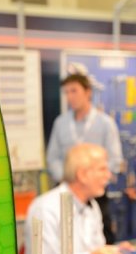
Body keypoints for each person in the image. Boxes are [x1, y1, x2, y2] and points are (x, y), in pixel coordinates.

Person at [21, 143, 129, 254]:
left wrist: (114, 253)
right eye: (102, 169)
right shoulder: (46, 208)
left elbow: (95, 251)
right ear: (82, 175)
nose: (109, 176)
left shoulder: (92, 206)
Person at [46, 72, 123, 243]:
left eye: (74, 91)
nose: (70, 97)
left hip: (95, 193)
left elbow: (115, 160)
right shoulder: (61, 123)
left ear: (88, 92)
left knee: (102, 236)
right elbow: (53, 158)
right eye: (66, 92)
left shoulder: (105, 123)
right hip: (66, 192)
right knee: (65, 236)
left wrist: (95, 179)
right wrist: (68, 179)